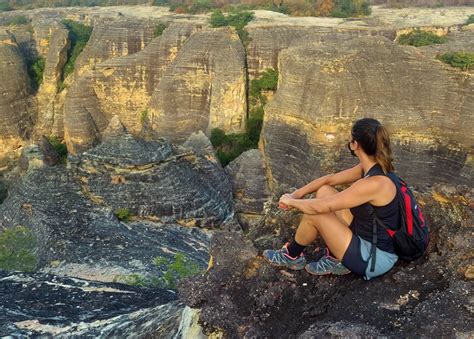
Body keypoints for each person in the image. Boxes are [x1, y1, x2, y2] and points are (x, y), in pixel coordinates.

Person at [263, 117, 399, 280]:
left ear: (355, 145)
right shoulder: (371, 168)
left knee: (316, 213)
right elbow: (329, 180)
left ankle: (292, 255)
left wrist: (291, 202)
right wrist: (296, 194)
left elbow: (321, 207)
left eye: (350, 138)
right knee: (325, 191)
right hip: (368, 237)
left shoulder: (374, 183)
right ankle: (336, 255)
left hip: (374, 259)